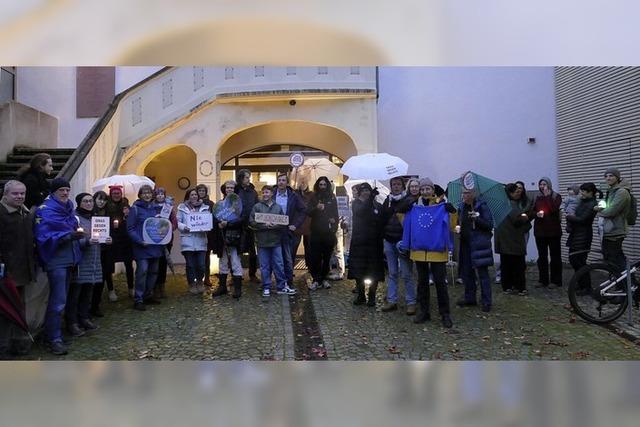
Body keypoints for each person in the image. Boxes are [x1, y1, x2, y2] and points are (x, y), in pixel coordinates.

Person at [34, 177, 83, 355]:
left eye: (67, 190)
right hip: (56, 261)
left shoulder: (68, 208)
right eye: (61, 190)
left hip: (69, 259)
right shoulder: (46, 211)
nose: (65, 193)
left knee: (63, 300)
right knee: (58, 301)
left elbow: (71, 229)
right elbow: (43, 236)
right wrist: (68, 236)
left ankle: (56, 334)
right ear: (53, 192)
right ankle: (53, 339)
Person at [402, 177, 455, 328]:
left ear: (432, 190)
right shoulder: (413, 206)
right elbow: (403, 220)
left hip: (437, 250)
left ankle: (445, 314)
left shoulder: (440, 206)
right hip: (419, 250)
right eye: (423, 189)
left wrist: (452, 212)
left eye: (428, 189)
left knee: (440, 282)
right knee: (422, 282)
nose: (425, 192)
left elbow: (450, 225)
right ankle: (424, 311)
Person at [66, 193, 110, 337]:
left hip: (94, 260)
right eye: (85, 201)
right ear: (79, 203)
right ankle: (72, 322)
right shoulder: (75, 219)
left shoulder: (95, 218)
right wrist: (86, 242)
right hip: (80, 261)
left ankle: (84, 318)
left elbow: (100, 238)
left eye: (91, 201)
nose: (89, 203)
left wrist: (107, 240)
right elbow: (72, 240)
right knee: (75, 294)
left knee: (88, 292)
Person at [0, 180, 36, 358]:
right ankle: (3, 348)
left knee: (18, 308)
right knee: (4, 311)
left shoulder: (24, 212)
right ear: (5, 194)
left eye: (22, 193)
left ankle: (17, 344)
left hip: (21, 270)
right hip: (6, 273)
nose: (20, 196)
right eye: (15, 194)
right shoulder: (2, 213)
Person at [250, 185, 296, 296]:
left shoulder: (278, 207)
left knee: (279, 264)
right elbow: (251, 222)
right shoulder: (257, 207)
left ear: (271, 194)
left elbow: (283, 222)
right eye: (264, 192)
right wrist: (264, 225)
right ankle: (266, 287)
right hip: (262, 242)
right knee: (264, 265)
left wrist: (275, 225)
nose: (265, 194)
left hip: (276, 241)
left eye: (267, 192)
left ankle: (281, 286)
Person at [380, 177, 416, 315]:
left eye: (398, 184)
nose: (395, 187)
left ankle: (411, 302)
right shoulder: (387, 200)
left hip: (402, 241)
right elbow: (382, 219)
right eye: (393, 184)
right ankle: (392, 300)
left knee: (406, 273)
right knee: (392, 272)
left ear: (402, 186)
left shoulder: (408, 200)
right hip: (389, 239)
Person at [455, 188, 495, 312]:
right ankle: (470, 297)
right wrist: (458, 227)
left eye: (467, 193)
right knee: (467, 273)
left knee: (482, 274)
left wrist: (476, 219)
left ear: (473, 194)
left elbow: (489, 224)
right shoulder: (461, 207)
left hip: (478, 244)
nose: (464, 195)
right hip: (465, 243)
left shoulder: (481, 206)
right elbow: (459, 221)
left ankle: (486, 301)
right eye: (463, 193)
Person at [127, 184, 164, 311]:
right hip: (141, 247)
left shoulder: (156, 209)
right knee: (142, 272)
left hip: (155, 246)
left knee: (154, 272)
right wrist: (140, 241)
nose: (147, 195)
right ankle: (139, 299)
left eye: (149, 193)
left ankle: (148, 295)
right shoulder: (135, 209)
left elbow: (162, 226)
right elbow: (130, 229)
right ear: (140, 195)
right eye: (144, 193)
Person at [349, 182, 385, 307]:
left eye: (368, 190)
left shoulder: (377, 206)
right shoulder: (356, 204)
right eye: (363, 190)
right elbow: (361, 211)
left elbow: (382, 220)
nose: (366, 193)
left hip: (374, 243)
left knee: (374, 271)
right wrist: (370, 200)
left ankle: (372, 296)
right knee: (359, 271)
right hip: (360, 243)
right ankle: (361, 295)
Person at [495, 183, 532, 296]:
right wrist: (526, 218)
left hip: (503, 240)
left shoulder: (499, 205)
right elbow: (517, 221)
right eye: (516, 192)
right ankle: (520, 287)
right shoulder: (511, 204)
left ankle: (507, 286)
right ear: (510, 193)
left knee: (506, 265)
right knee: (518, 265)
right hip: (513, 240)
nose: (518, 194)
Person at [594, 168, 633, 274]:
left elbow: (611, 211)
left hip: (616, 232)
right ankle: (625, 285)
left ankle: (628, 284)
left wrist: (598, 211)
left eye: (611, 176)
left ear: (617, 177)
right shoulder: (610, 191)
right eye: (606, 176)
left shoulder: (622, 192)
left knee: (616, 261)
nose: (608, 178)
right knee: (615, 260)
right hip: (608, 231)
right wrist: (601, 207)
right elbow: (605, 207)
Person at [274, 173, 307, 290]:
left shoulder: (293, 196)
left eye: (283, 180)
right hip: (274, 230)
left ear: (287, 183)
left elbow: (304, 210)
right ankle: (278, 282)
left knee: (288, 258)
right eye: (279, 180)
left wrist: (295, 225)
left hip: (287, 231)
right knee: (276, 258)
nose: (281, 182)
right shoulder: (272, 194)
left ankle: (288, 282)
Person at [566, 183, 600, 295]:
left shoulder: (592, 204)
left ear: (590, 192)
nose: (581, 194)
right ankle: (580, 283)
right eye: (581, 191)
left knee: (580, 261)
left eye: (584, 192)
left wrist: (569, 217)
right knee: (574, 260)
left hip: (584, 236)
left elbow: (583, 219)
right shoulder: (582, 201)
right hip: (576, 234)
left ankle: (586, 286)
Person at [307, 176, 339, 290]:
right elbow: (308, 212)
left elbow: (336, 214)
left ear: (327, 186)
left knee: (327, 256)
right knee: (315, 257)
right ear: (317, 185)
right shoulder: (313, 197)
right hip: (316, 232)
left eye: (324, 185)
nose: (322, 187)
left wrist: (334, 224)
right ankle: (316, 279)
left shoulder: (332, 197)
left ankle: (324, 278)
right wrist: (316, 208)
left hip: (328, 232)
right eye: (320, 185)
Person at [213, 180, 244, 299]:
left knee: (235, 262)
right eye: (227, 188)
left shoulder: (238, 203)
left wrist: (228, 224)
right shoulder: (220, 204)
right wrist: (219, 223)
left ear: (234, 189)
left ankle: (237, 289)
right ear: (224, 190)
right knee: (223, 262)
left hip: (234, 237)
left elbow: (242, 219)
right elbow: (216, 216)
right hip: (222, 237)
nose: (229, 189)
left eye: (231, 187)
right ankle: (222, 287)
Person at [177, 188, 210, 295]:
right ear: (188, 196)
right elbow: (177, 221)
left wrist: (206, 227)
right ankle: (191, 283)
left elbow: (208, 222)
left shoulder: (205, 208)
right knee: (190, 265)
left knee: (201, 265)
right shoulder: (182, 208)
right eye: (192, 195)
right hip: (188, 241)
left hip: (201, 240)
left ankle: (200, 281)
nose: (194, 196)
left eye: (196, 194)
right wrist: (183, 227)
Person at [105, 186, 135, 299]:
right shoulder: (107, 206)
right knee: (109, 266)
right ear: (111, 194)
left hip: (125, 238)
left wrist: (127, 215)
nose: (116, 195)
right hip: (112, 238)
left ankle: (131, 288)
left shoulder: (126, 205)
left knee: (128, 265)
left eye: (118, 193)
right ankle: (111, 290)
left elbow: (131, 220)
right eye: (114, 193)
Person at [532, 177, 563, 288]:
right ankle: (543, 279)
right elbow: (532, 210)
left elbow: (554, 209)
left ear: (549, 185)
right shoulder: (537, 197)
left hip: (553, 231)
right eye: (540, 184)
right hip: (540, 231)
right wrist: (536, 214)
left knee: (555, 256)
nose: (542, 186)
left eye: (544, 184)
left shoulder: (556, 196)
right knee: (542, 256)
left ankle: (556, 280)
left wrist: (547, 197)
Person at [235, 169, 260, 282]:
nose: (248, 179)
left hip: (250, 225)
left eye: (249, 177)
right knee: (237, 251)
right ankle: (236, 275)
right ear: (241, 178)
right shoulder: (235, 191)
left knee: (252, 251)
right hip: (238, 225)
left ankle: (252, 274)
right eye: (246, 177)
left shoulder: (253, 192)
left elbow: (256, 206)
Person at [89, 190, 110, 317]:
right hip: (91, 249)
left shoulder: (108, 214)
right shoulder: (89, 214)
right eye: (99, 199)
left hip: (104, 250)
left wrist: (110, 239)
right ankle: (88, 305)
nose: (101, 202)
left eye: (104, 199)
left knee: (101, 278)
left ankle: (96, 305)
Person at [154, 187, 177, 299]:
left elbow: (174, 223)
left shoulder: (168, 208)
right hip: (154, 240)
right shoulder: (152, 207)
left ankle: (162, 287)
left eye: (162, 194)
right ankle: (154, 287)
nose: (160, 196)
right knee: (155, 263)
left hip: (166, 240)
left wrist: (168, 227)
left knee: (163, 263)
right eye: (158, 194)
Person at [196, 184, 217, 287]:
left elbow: (214, 217)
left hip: (208, 234)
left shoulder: (211, 204)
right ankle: (198, 278)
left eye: (203, 191)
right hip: (196, 235)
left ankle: (207, 277)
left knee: (206, 257)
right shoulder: (193, 203)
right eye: (199, 191)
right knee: (197, 257)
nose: (201, 192)